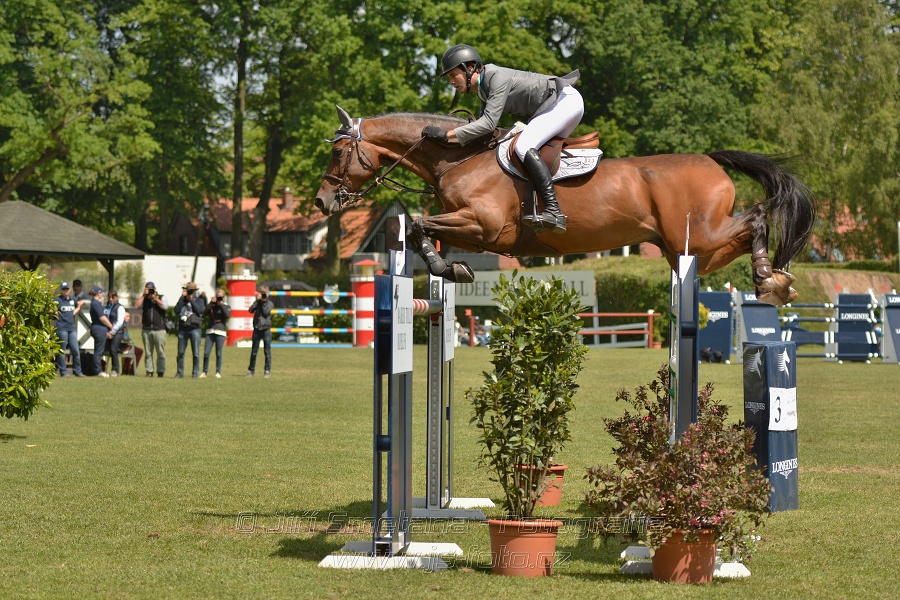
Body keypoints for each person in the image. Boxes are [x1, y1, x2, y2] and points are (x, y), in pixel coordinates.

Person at [423, 44, 584, 233]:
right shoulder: (483, 89)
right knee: (533, 150)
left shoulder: (495, 77)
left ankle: (554, 210)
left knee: (523, 146)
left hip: (564, 102)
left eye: (453, 75)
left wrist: (446, 135)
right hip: (558, 105)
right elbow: (484, 131)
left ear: (470, 68)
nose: (451, 82)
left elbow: (488, 124)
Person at [53, 282, 86, 377]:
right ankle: (63, 372)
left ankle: (78, 371)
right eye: (64, 289)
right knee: (62, 350)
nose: (65, 291)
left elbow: (77, 306)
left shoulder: (73, 299)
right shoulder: (57, 300)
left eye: (67, 289)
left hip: (71, 328)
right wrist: (56, 313)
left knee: (76, 350)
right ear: (61, 290)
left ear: (69, 289)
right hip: (61, 328)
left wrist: (78, 308)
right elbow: (50, 308)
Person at [175, 282, 206, 379]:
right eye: (188, 291)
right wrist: (182, 298)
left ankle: (195, 373)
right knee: (180, 352)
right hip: (183, 328)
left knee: (196, 353)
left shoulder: (199, 300)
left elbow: (199, 310)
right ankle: (180, 372)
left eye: (191, 291)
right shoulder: (182, 300)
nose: (189, 292)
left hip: (195, 328)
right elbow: (176, 310)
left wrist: (191, 300)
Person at [139, 281, 169, 377]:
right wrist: (143, 295)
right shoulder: (144, 298)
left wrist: (155, 298)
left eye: (151, 289)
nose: (150, 291)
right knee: (148, 352)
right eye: (148, 289)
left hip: (159, 329)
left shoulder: (161, 297)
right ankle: (149, 371)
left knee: (160, 352)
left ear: (155, 289)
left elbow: (165, 306)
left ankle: (160, 371)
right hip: (147, 329)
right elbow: (136, 306)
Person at [201, 288, 231, 379]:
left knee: (218, 353)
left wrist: (220, 304)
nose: (219, 298)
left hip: (220, 332)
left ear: (224, 297)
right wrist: (211, 303)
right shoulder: (212, 305)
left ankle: (218, 372)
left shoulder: (226, 305)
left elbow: (227, 315)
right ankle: (204, 372)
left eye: (221, 297)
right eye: (218, 296)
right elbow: (205, 313)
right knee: (206, 353)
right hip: (210, 331)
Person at [247, 285, 274, 378]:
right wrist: (257, 301)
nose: (263, 295)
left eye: (264, 294)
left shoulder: (270, 304)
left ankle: (267, 370)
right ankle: (251, 370)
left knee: (267, 352)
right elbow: (250, 310)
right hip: (257, 329)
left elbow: (266, 313)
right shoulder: (257, 303)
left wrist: (263, 302)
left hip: (266, 329)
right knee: (254, 351)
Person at [88, 286, 114, 378]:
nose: (103, 294)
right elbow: (102, 318)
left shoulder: (97, 303)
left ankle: (97, 370)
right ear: (98, 293)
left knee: (99, 350)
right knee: (98, 351)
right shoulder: (95, 304)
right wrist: (111, 326)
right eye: (101, 292)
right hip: (99, 329)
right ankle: (98, 371)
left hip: (100, 329)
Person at [104, 289, 126, 377]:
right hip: (109, 331)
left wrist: (112, 332)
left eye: (113, 297)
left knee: (113, 349)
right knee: (107, 350)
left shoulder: (120, 308)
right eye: (109, 297)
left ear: (116, 297)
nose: (111, 299)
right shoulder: (107, 307)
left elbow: (120, 322)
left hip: (118, 332)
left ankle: (115, 370)